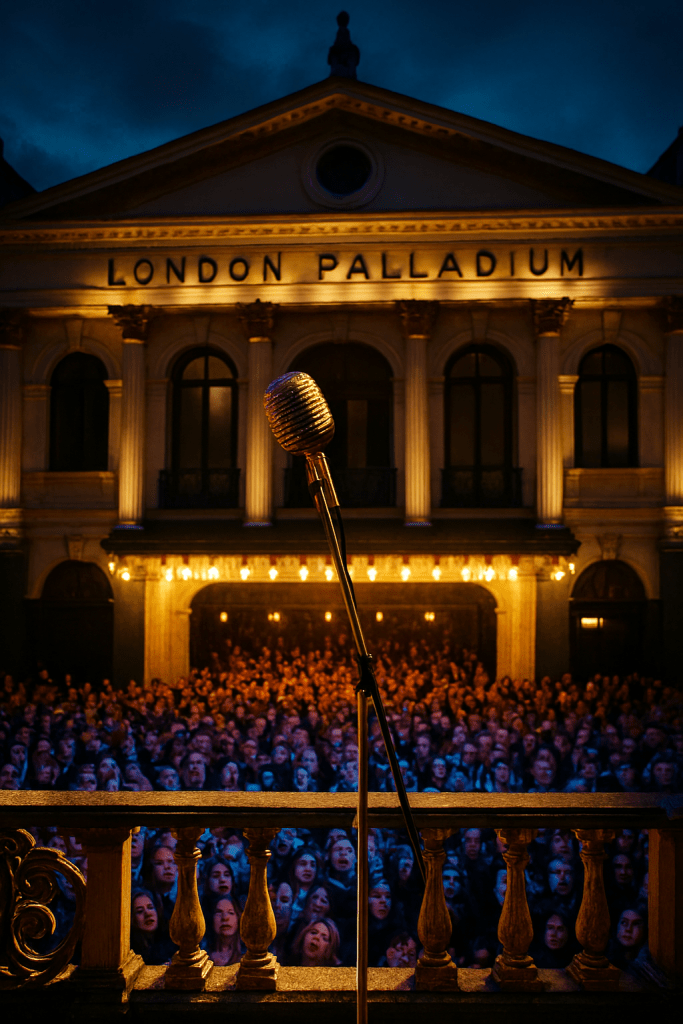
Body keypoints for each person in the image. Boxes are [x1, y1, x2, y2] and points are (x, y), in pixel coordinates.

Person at [130, 888, 175, 965]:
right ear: (131, 918)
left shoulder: (171, 942)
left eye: (150, 907)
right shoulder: (130, 953)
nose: (148, 914)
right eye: (140, 911)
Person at [203, 894, 243, 966]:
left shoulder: (248, 955)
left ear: (238, 918)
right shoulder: (202, 956)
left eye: (231, 913)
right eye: (218, 912)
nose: (225, 918)